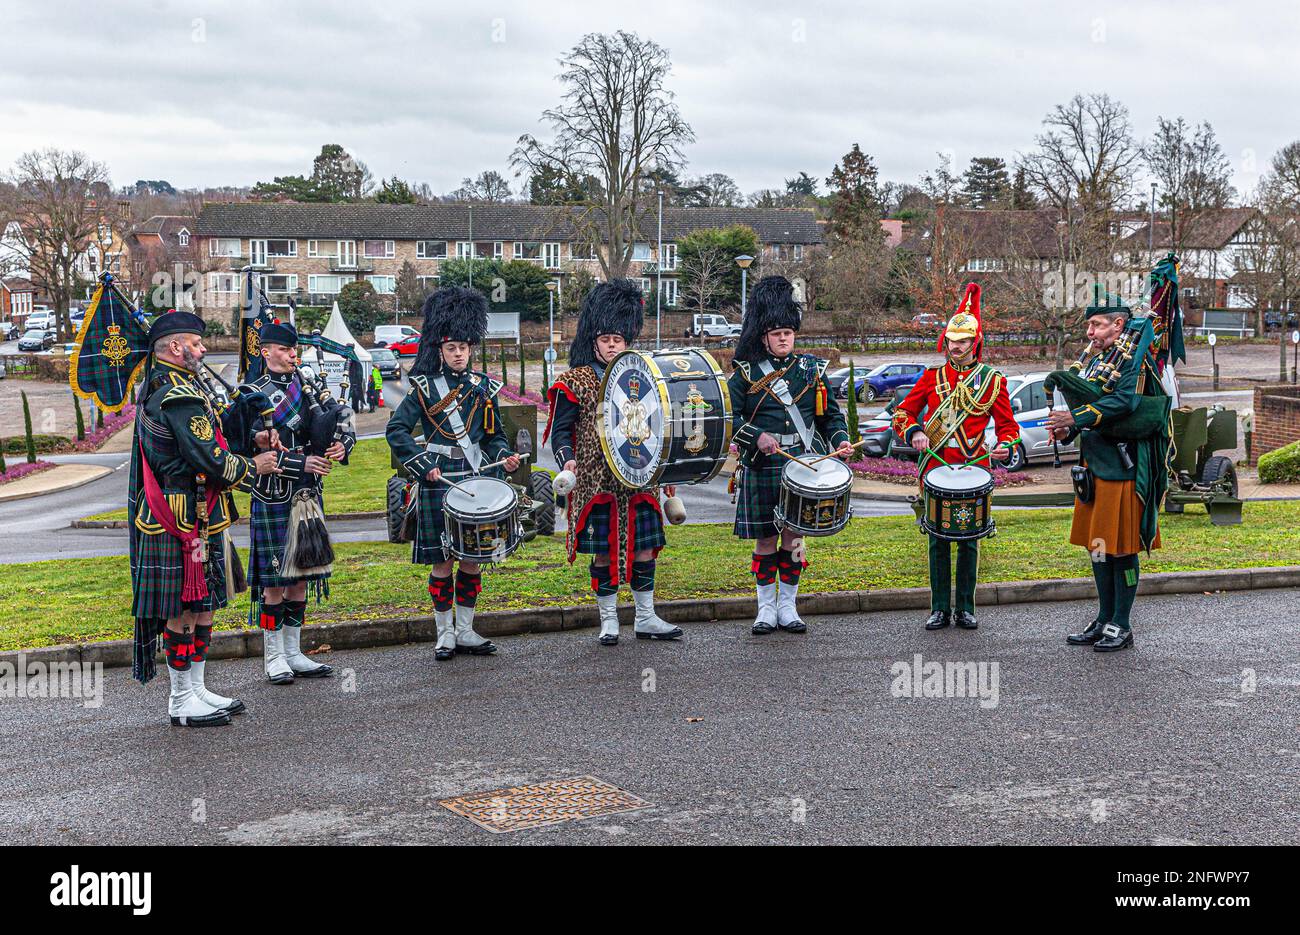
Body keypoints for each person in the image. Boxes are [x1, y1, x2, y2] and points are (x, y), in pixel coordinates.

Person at [128, 311, 281, 726]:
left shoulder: (177, 384)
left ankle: (196, 688)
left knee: (203, 602)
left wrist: (250, 437)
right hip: (178, 515)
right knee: (183, 607)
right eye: (196, 344)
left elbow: (210, 438)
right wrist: (254, 466)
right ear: (175, 348)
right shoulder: (176, 394)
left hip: (198, 510)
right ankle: (180, 700)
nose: (203, 349)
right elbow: (206, 456)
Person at [543, 279, 682, 646]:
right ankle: (608, 621)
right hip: (594, 481)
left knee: (645, 549)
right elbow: (560, 432)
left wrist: (667, 469)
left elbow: (660, 425)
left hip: (640, 478)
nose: (611, 346)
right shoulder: (574, 381)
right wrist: (568, 462)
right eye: (605, 340)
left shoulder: (644, 378)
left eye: (618, 340)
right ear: (593, 340)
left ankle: (647, 618)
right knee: (603, 551)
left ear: (627, 342)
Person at [385, 287, 520, 661]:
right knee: (442, 560)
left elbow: (495, 437)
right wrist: (422, 463)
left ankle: (466, 630)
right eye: (451, 348)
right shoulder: (424, 388)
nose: (458, 354)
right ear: (439, 350)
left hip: (475, 476)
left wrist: (505, 456)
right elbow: (396, 431)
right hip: (439, 476)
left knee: (473, 557)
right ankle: (444, 633)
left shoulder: (483, 389)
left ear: (471, 348)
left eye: (463, 347)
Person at [728, 275, 854, 635]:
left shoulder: (812, 370)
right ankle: (765, 608)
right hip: (762, 465)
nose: (784, 338)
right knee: (766, 539)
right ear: (763, 336)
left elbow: (830, 416)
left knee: (794, 540)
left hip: (803, 466)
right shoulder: (745, 374)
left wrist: (840, 441)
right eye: (776, 333)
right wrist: (756, 436)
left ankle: (789, 606)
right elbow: (729, 419)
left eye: (788, 332)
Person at [1047, 288, 1170, 653]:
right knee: (1098, 547)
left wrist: (1075, 417)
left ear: (1119, 325)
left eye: (1097, 325)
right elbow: (1092, 403)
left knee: (1123, 548)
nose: (1090, 333)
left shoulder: (1136, 361)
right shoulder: (1094, 362)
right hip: (1095, 464)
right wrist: (1069, 428)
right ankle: (1104, 617)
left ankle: (1123, 622)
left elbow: (1124, 401)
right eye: (1088, 326)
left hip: (1125, 466)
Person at [892, 283, 1019, 631]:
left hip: (974, 467)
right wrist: (915, 431)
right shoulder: (932, 377)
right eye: (952, 340)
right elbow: (902, 413)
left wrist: (1005, 444)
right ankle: (938, 608)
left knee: (969, 539)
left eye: (963, 341)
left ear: (974, 342)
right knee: (937, 540)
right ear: (945, 342)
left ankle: (964, 607)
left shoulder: (992, 381)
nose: (957, 347)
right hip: (934, 467)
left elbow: (1008, 426)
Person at [240, 321, 355, 684]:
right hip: (273, 494)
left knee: (302, 574)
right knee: (274, 579)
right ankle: (274, 657)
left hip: (308, 492)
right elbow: (245, 448)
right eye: (287, 350)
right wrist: (298, 462)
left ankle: (294, 652)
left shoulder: (309, 387)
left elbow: (344, 420)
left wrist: (342, 445)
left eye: (295, 351)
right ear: (266, 351)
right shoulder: (251, 393)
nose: (294, 356)